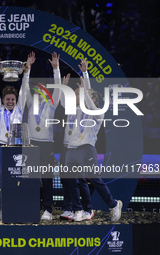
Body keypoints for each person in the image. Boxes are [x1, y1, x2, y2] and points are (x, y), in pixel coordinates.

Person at [64, 59, 122, 222]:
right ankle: (78, 210)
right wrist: (84, 73)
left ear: (95, 101)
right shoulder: (77, 110)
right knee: (71, 181)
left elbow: (88, 96)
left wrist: (85, 84)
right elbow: (84, 95)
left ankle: (113, 204)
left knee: (95, 179)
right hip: (71, 148)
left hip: (87, 148)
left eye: (88, 97)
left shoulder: (98, 113)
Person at [0, 52, 36, 220]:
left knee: (17, 179)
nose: (10, 101)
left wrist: (26, 72)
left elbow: (25, 90)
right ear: (2, 100)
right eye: (7, 99)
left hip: (16, 148)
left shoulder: (20, 109)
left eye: (12, 99)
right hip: (0, 147)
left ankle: (16, 207)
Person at [25, 52, 69, 220]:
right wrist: (27, 69)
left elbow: (58, 88)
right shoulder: (30, 102)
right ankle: (32, 206)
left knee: (47, 178)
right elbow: (23, 88)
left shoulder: (51, 104)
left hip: (46, 145)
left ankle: (48, 210)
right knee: (32, 178)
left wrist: (56, 69)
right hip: (31, 144)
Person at [60, 58, 91, 221]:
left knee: (80, 180)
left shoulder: (85, 110)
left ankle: (87, 208)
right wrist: (64, 87)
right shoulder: (71, 108)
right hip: (66, 148)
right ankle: (70, 208)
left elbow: (89, 91)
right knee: (67, 181)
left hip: (78, 148)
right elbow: (63, 99)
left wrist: (85, 74)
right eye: (75, 94)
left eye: (78, 94)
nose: (76, 96)